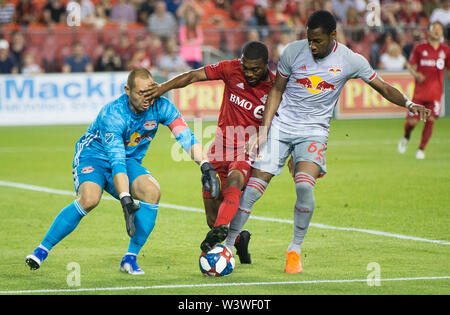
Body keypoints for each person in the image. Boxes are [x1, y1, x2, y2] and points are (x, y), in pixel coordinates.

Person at [223, 10, 431, 274]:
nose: (312, 45)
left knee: (304, 188)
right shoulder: (292, 52)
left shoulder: (349, 60)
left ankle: (294, 250)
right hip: (281, 126)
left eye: (317, 40)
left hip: (314, 131)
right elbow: (277, 90)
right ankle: (228, 246)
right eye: (309, 39)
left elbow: (382, 86)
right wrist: (264, 131)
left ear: (333, 35)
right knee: (252, 189)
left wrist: (410, 104)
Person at [25, 68, 220, 275]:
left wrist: (205, 165)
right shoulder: (113, 114)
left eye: (151, 92)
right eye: (141, 94)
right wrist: (125, 198)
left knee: (152, 192)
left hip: (128, 159)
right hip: (94, 156)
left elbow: (186, 136)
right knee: (90, 199)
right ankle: (42, 250)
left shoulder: (162, 107)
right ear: (127, 90)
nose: (147, 99)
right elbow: (116, 161)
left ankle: (130, 259)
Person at [146, 41, 275, 264]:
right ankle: (238, 240)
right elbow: (194, 76)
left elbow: (282, 122)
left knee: (235, 181)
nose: (249, 73)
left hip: (246, 149)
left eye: (255, 69)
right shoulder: (231, 68)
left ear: (266, 64)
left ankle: (223, 234)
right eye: (246, 68)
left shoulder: (274, 88)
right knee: (211, 218)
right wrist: (162, 88)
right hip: (218, 149)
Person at [398, 22, 450, 159]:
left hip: (436, 95)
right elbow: (411, 66)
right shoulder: (420, 48)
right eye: (435, 29)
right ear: (429, 32)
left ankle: (421, 149)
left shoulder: (446, 51)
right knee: (412, 123)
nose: (437, 31)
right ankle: (406, 137)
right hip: (419, 94)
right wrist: (416, 75)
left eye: (439, 29)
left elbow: (449, 70)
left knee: (430, 120)